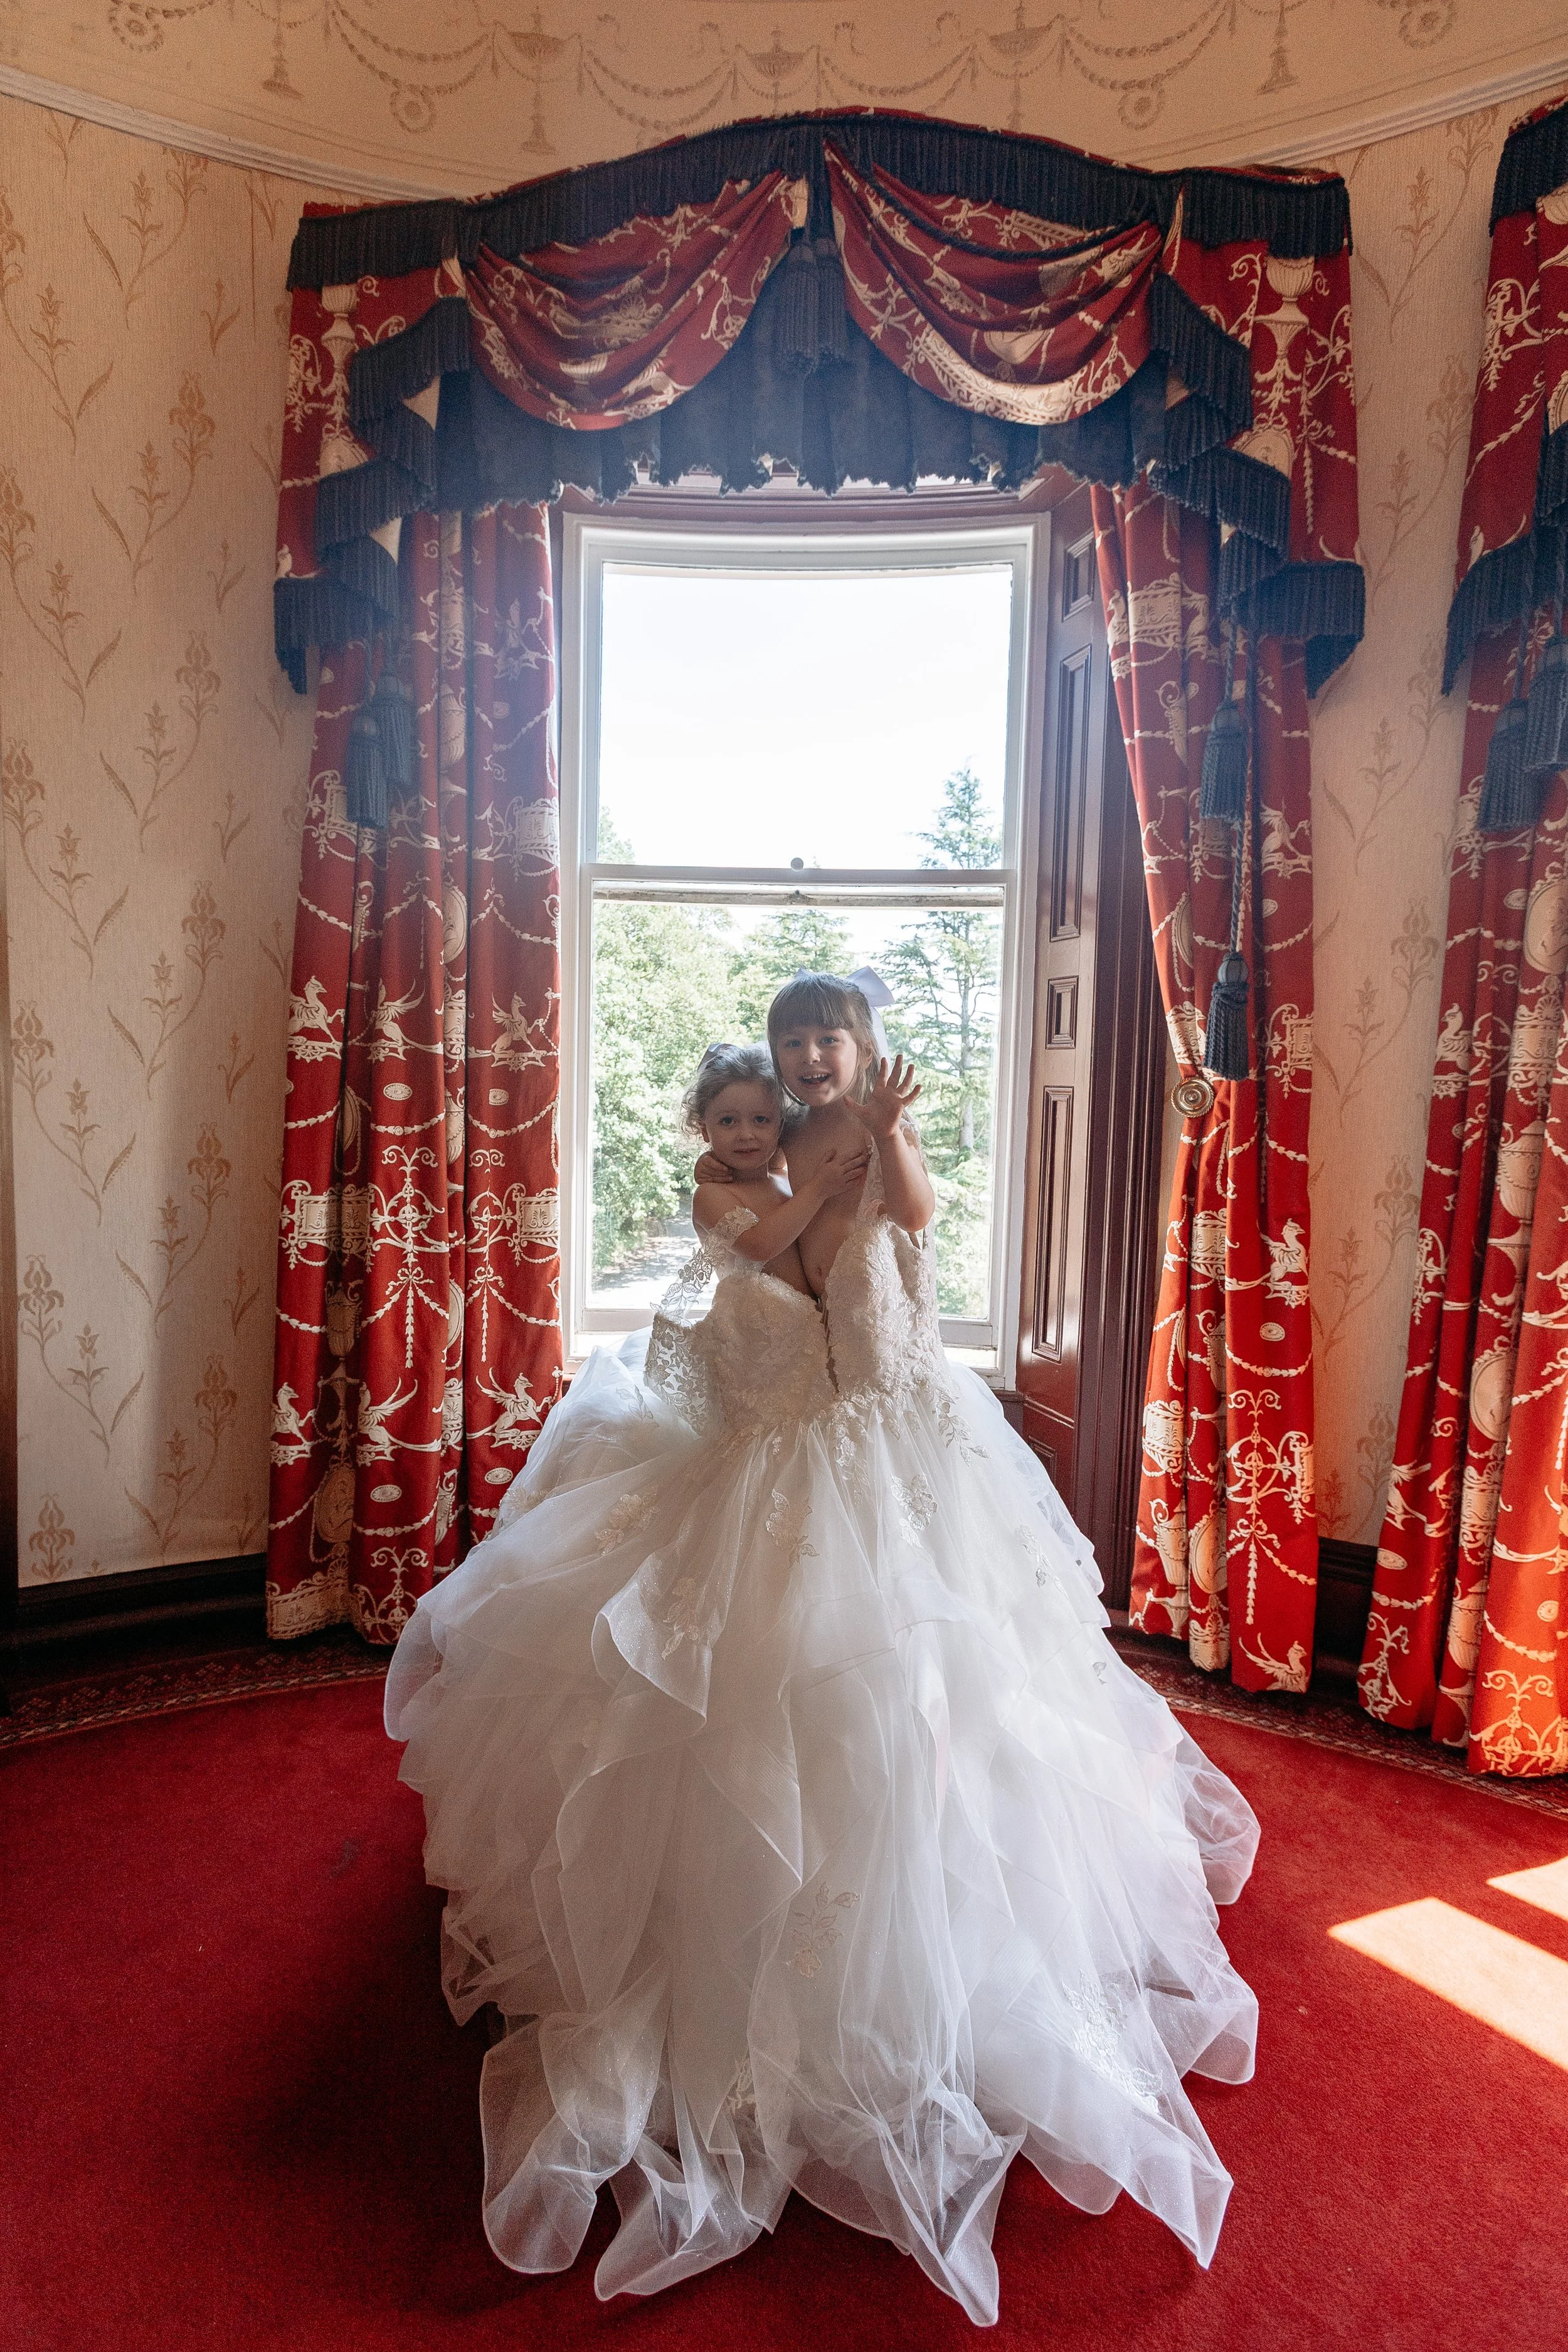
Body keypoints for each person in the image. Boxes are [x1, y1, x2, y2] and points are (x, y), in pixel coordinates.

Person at [385, 986, 1259, 2326]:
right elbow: (760, 1261)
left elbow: (909, 1216)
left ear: (856, 1045)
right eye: (788, 1045)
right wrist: (805, 1168)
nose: (803, 1061)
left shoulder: (871, 1137)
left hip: (908, 1458)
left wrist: (889, 1135)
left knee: (943, 1697)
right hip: (778, 1464)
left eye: (824, 1040)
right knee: (757, 1698)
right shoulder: (760, 1158)